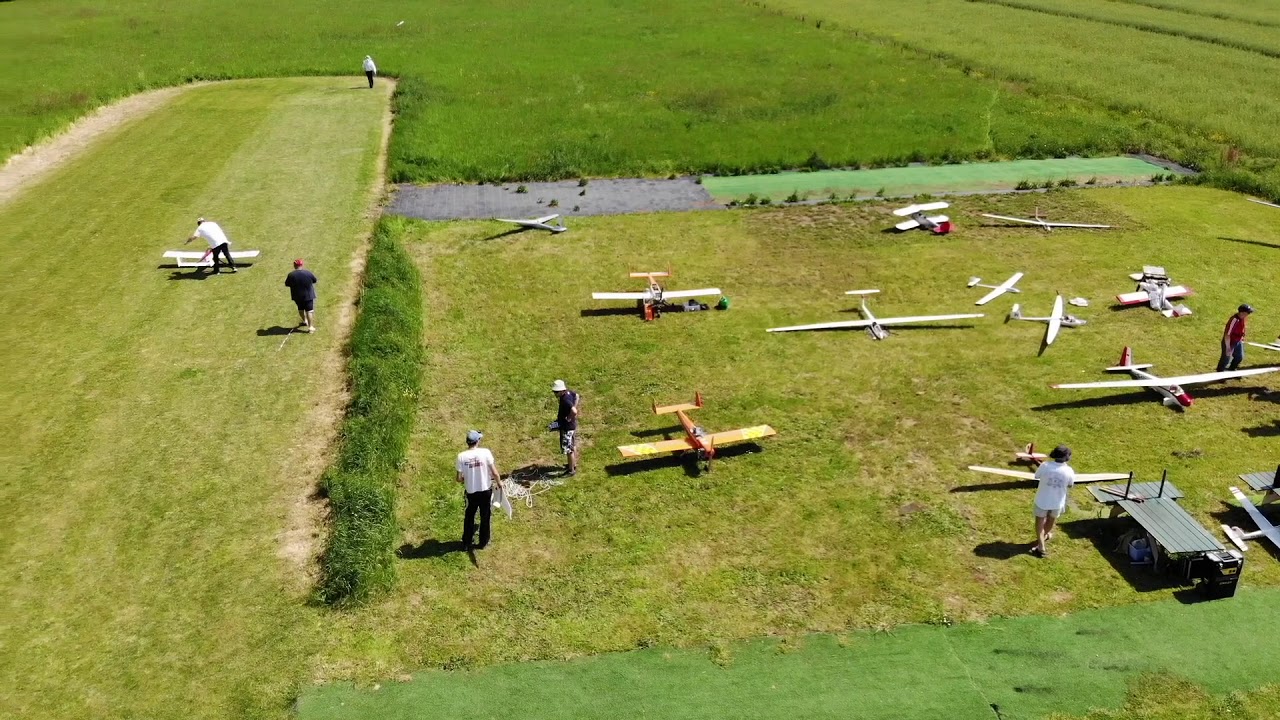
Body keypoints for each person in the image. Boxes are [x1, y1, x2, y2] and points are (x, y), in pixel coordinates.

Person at [456, 430, 500, 550]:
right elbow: (495, 472)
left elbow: (459, 478)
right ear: (477, 441)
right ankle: (483, 542)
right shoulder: (485, 452)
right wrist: (499, 483)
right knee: (485, 516)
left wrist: (466, 477)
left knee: (469, 516)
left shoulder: (461, 456)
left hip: (471, 492)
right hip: (485, 490)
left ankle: (466, 542)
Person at [1031, 445, 1076, 558]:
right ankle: (1043, 539)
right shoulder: (1069, 470)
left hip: (1042, 500)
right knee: (1051, 521)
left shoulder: (1045, 465)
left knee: (1039, 523)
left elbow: (1037, 476)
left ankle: (1041, 546)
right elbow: (1070, 484)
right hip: (1057, 502)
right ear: (1066, 458)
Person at [548, 379, 580, 476]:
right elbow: (577, 396)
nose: (555, 393)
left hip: (567, 427)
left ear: (562, 391)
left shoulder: (565, 399)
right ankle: (573, 464)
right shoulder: (569, 393)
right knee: (572, 445)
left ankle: (571, 470)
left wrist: (568, 418)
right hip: (571, 426)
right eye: (554, 391)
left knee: (568, 449)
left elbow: (574, 411)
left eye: (556, 392)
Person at [284, 258, 318, 333]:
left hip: (297, 296)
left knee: (300, 309)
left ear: (294, 265)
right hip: (308, 295)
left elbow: (287, 284)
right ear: (302, 265)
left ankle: (304, 321)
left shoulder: (291, 275)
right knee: (309, 311)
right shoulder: (308, 273)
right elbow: (314, 280)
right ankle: (310, 327)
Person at [1217, 304, 1254, 372]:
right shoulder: (1234, 320)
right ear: (1242, 312)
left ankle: (1232, 370)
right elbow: (1227, 335)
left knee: (1239, 357)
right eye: (1247, 313)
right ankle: (1220, 373)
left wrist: (1242, 338)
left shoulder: (1243, 318)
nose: (1248, 314)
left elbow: (1242, 328)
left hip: (1238, 341)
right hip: (1229, 341)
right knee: (1226, 358)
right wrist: (1228, 347)